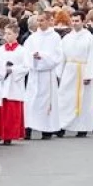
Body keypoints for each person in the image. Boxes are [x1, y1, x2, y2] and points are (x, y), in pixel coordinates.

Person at [56, 11, 93, 137]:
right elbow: (61, 55)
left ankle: (82, 127)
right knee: (65, 98)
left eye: (77, 21)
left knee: (83, 100)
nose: (74, 23)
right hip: (69, 69)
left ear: (83, 21)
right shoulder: (67, 37)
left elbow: (92, 57)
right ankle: (62, 125)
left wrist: (89, 74)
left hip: (83, 70)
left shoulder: (89, 38)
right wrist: (59, 73)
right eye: (73, 21)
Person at [23, 12, 63, 140]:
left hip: (47, 75)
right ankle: (28, 127)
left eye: (42, 20)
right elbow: (26, 53)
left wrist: (43, 57)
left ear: (49, 21)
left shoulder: (55, 37)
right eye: (38, 20)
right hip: (35, 74)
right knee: (31, 101)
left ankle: (47, 129)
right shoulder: (32, 37)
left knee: (46, 102)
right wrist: (33, 57)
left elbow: (57, 56)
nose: (39, 23)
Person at [0, 23, 28, 143]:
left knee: (12, 111)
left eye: (9, 33)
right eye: (5, 33)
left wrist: (12, 70)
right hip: (2, 81)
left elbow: (26, 67)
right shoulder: (0, 50)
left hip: (14, 83)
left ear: (16, 34)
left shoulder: (22, 51)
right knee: (2, 109)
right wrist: (2, 71)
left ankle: (9, 135)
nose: (6, 36)